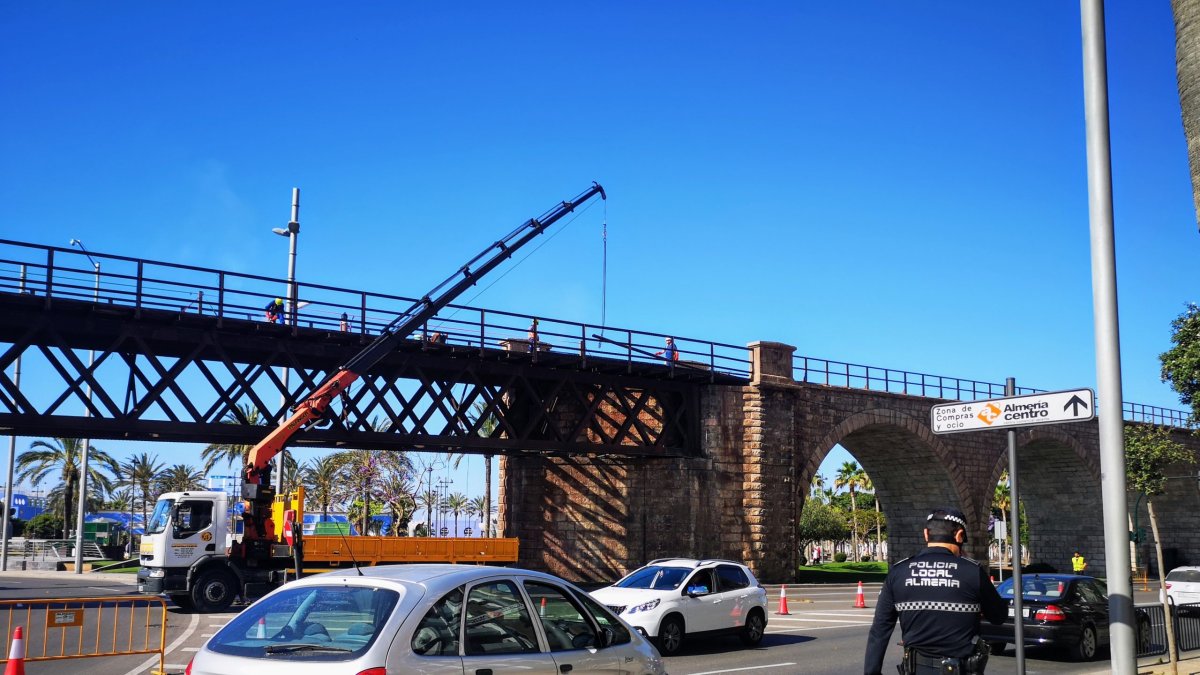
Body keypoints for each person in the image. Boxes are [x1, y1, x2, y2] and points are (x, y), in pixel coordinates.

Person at [864, 507, 1007, 675]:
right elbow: (999, 616)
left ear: (926, 534)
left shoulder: (898, 572)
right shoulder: (972, 572)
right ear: (959, 535)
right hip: (961, 669)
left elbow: (880, 629)